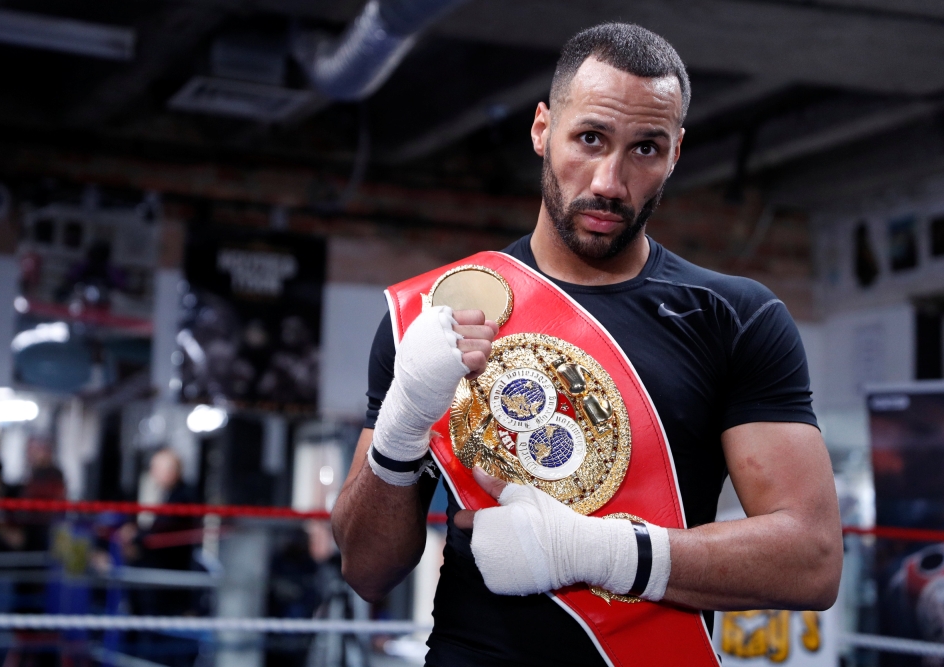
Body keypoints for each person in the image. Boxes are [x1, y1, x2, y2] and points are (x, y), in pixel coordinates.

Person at [331, 22, 843, 666]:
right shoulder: (437, 312)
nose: (609, 180)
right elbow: (366, 572)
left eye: (645, 149)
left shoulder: (735, 317)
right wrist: (402, 426)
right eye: (591, 138)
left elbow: (813, 561)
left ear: (676, 153)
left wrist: (591, 551)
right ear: (543, 128)